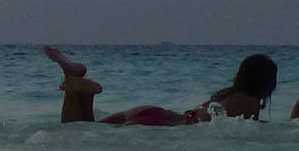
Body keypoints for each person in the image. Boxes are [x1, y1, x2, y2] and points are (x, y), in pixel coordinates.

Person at [43, 47, 277, 126]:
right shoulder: (250, 103)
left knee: (83, 130)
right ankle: (76, 88)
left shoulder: (227, 94)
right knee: (78, 133)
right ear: (267, 83)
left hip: (154, 112)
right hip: (161, 125)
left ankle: (73, 77)